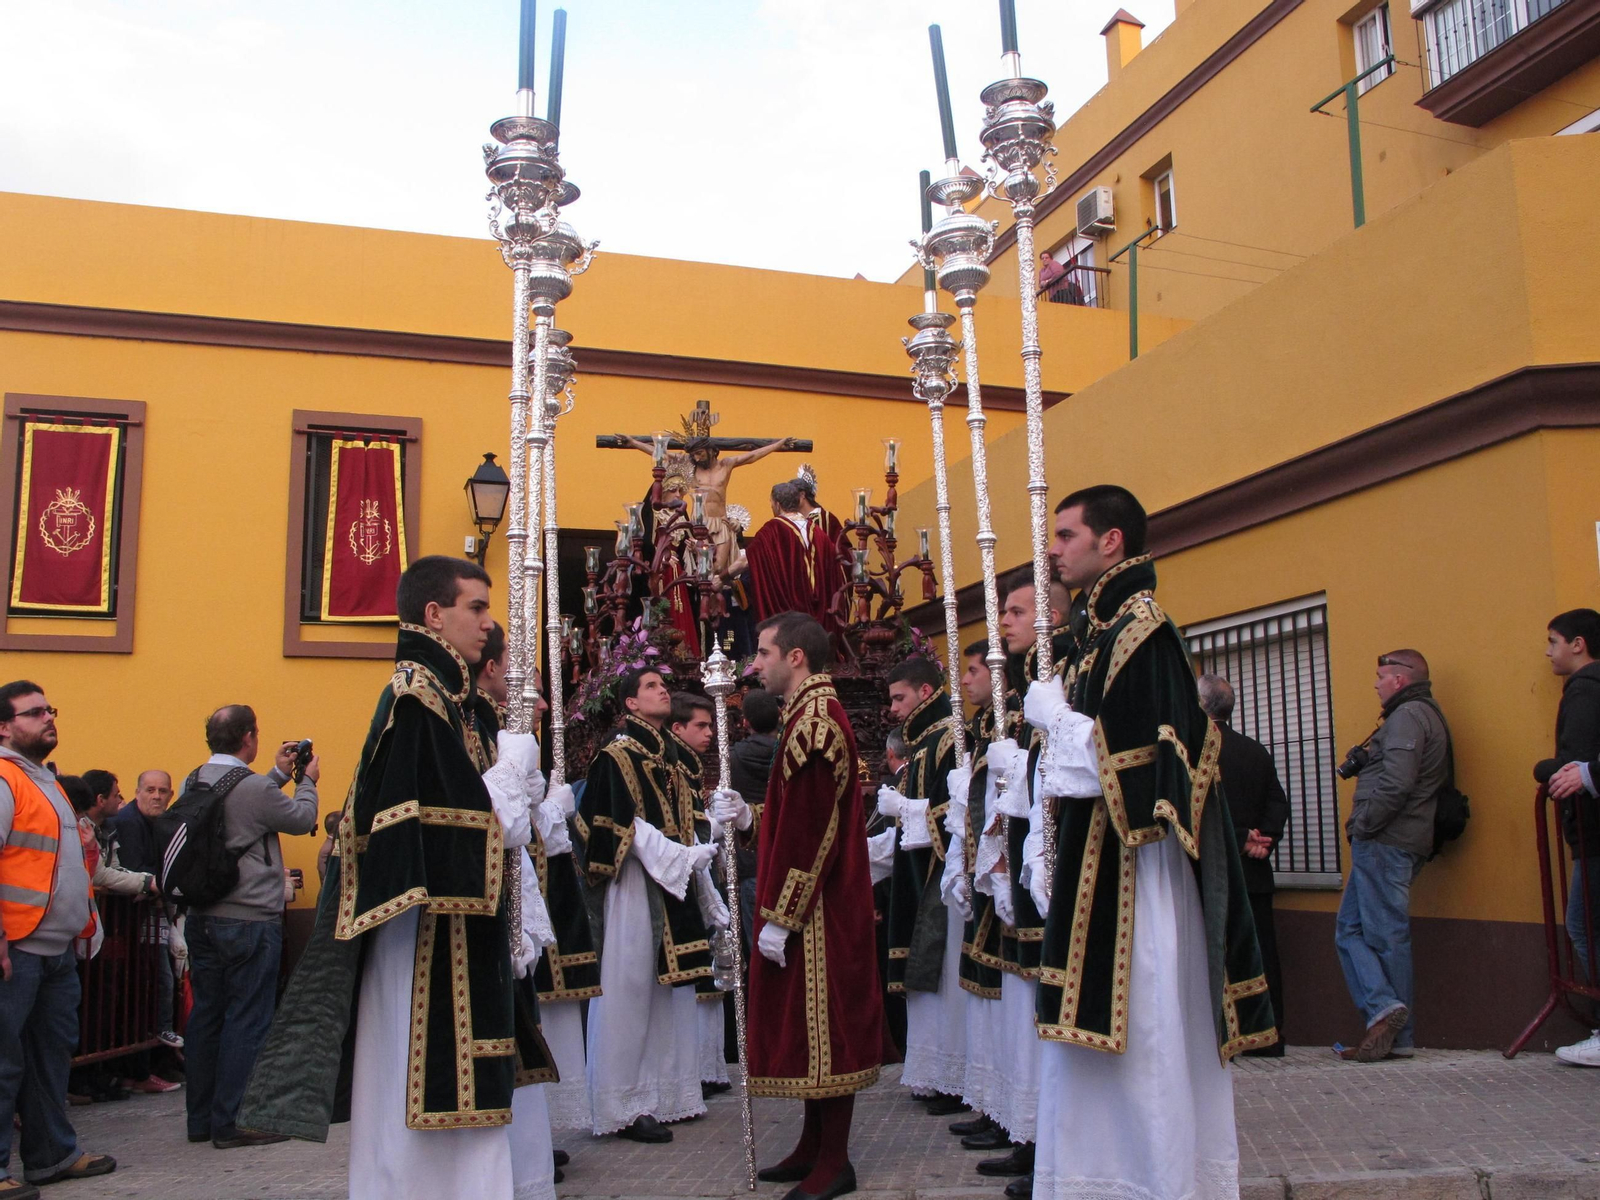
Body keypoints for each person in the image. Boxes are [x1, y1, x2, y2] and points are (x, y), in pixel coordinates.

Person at [240, 556, 551, 1200]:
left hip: (456, 932)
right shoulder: (416, 700)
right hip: (422, 937)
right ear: (434, 614)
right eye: (477, 609)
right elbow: (426, 826)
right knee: (417, 1086)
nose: (489, 624)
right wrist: (509, 777)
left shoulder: (452, 703)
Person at [1021, 486, 1274, 1200]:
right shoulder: (1092, 636)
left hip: (1135, 874)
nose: (1054, 551)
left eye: (1067, 535)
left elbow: (1139, 766)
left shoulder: (1144, 631)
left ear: (1112, 543)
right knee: (1097, 1061)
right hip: (1092, 863)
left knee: (1149, 1038)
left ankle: (1155, 1182)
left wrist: (1058, 722)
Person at [709, 612, 883, 1200]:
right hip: (813, 901)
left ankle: (834, 1160)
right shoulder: (805, 717)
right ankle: (814, 1144)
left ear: (797, 657)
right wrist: (750, 817)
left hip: (818, 907)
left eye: (762, 653)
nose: (754, 666)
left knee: (825, 1027)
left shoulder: (814, 723)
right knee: (811, 1031)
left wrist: (781, 914)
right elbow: (795, 819)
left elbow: (814, 831)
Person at [958, 576, 1074, 1193]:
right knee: (1021, 1005)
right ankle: (1024, 1129)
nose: (1004, 619)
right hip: (1020, 868)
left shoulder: (1058, 684)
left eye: (1017, 610)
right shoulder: (1019, 695)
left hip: (1053, 868)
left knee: (1040, 1006)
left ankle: (1042, 1139)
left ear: (1051, 618)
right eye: (1002, 610)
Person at [579, 668, 720, 1143]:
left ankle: (669, 1094)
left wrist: (713, 832)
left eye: (664, 684)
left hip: (676, 885)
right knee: (629, 990)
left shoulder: (678, 759)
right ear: (631, 705)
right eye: (651, 686)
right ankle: (623, 1103)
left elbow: (695, 820)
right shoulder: (617, 756)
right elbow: (617, 827)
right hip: (638, 884)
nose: (663, 690)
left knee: (671, 994)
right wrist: (675, 855)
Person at [470, 626, 597, 1153]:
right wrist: (549, 809)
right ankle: (523, 1145)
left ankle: (532, 1140)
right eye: (534, 692)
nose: (543, 705)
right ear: (497, 670)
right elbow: (500, 817)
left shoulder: (501, 726)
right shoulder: (484, 722)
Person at [183, 704, 319, 1148]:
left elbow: (243, 808)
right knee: (248, 1017)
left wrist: (276, 776)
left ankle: (201, 1119)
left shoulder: (195, 780)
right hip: (248, 917)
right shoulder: (255, 788)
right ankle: (235, 1120)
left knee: (207, 1016)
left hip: (203, 915)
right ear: (248, 738)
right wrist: (307, 782)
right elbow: (298, 820)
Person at [0, 681, 116, 1197]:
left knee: (48, 1059)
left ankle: (52, 1156)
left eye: (50, 709)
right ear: (4, 728)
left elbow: (62, 865)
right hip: (16, 947)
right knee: (4, 1062)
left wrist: (82, 926)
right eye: (32, 714)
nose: (48, 718)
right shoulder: (4, 779)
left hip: (52, 948)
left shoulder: (43, 780)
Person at [1334, 648, 1449, 1062]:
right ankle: (1392, 1031)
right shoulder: (1418, 715)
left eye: (1381, 677)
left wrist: (1362, 824)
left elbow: (1397, 783)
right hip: (1392, 840)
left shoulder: (1408, 717)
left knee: (1384, 937)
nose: (1376, 684)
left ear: (1399, 680)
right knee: (1352, 931)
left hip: (1386, 840)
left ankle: (1388, 1015)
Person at [875, 658, 963, 1115]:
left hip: (940, 877)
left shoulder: (950, 737)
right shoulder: (922, 742)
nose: (893, 709)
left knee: (943, 973)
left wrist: (908, 808)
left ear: (926, 692)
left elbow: (957, 808)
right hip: (916, 870)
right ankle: (932, 1073)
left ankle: (952, 1074)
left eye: (899, 698)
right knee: (924, 976)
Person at [1198, 674, 1290, 1056]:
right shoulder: (1255, 750)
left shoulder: (1195, 752)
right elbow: (1277, 802)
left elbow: (1200, 812)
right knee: (1262, 953)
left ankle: (1225, 1036)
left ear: (1202, 706)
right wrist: (1263, 839)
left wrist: (1239, 838)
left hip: (1215, 873)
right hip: (1255, 872)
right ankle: (1269, 1036)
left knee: (1220, 955)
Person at [1538, 609, 1600, 1067]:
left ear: (1578, 644)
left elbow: (1573, 761)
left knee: (1585, 926)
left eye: (1553, 641)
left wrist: (1544, 770)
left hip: (1595, 832)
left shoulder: (1584, 689)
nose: (1548, 651)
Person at [665, 692, 733, 1100]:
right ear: (679, 729)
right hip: (685, 872)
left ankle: (708, 1067)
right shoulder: (675, 765)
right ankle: (697, 1069)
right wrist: (711, 832)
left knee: (713, 970)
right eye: (701, 726)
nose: (709, 734)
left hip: (700, 870)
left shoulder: (688, 766)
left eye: (711, 726)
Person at [110, 770, 184, 1059]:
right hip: (129, 918)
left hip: (150, 913)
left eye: (162, 791)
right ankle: (140, 1061)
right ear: (138, 791)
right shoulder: (128, 823)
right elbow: (134, 868)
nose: (156, 796)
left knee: (159, 980)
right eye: (150, 790)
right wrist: (157, 884)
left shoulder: (158, 823)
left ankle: (153, 1056)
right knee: (148, 983)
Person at [728, 688, 780, 957]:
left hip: (749, 860)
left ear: (745, 722)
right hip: (784, 857)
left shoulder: (733, 758)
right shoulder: (789, 750)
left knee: (755, 948)